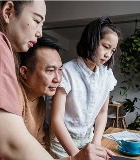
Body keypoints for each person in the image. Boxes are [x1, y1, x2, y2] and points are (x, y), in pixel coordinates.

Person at [0, 1, 114, 159]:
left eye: (59, 70)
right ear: (8, 11)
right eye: (37, 21)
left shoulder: (40, 102)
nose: (40, 33)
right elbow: (10, 144)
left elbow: (39, 144)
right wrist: (74, 157)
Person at [50, 16, 122, 158]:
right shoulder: (68, 71)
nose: (108, 54)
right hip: (63, 142)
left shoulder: (106, 74)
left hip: (89, 139)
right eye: (106, 47)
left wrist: (96, 143)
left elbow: (102, 113)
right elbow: (56, 120)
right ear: (92, 40)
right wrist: (76, 156)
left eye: (112, 50)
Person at [18, 37, 63, 149]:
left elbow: (39, 142)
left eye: (60, 70)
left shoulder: (40, 99)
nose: (57, 79)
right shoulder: (15, 97)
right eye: (50, 71)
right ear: (25, 72)